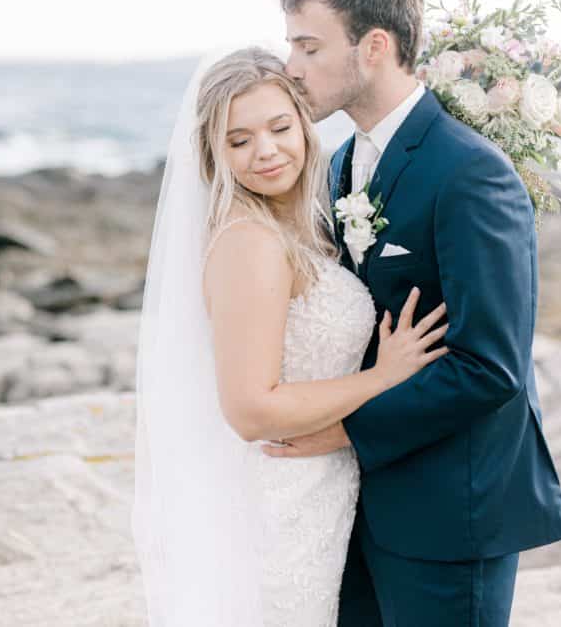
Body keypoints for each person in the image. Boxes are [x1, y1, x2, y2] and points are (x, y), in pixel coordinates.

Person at [260, 0, 561, 625]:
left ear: (374, 47)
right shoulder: (340, 161)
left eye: (309, 47)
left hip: (449, 518)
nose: (292, 68)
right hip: (353, 512)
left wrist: (341, 428)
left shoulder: (472, 175)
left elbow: (490, 368)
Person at [132, 44, 448, 626]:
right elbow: (252, 409)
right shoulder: (249, 242)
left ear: (304, 126)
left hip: (315, 500)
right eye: (239, 140)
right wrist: (381, 378)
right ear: (213, 154)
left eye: (279, 127)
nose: (267, 151)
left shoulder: (295, 227)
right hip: (275, 511)